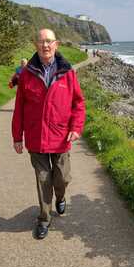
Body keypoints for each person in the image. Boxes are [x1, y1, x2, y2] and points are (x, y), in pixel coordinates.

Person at [12, 29, 85, 239]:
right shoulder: (26, 74)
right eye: (41, 41)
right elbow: (19, 108)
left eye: (49, 41)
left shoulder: (67, 72)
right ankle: (44, 218)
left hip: (61, 136)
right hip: (36, 137)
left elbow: (78, 103)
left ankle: (60, 197)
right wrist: (17, 137)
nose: (45, 45)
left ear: (57, 45)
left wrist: (76, 128)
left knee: (62, 177)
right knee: (43, 179)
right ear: (35, 44)